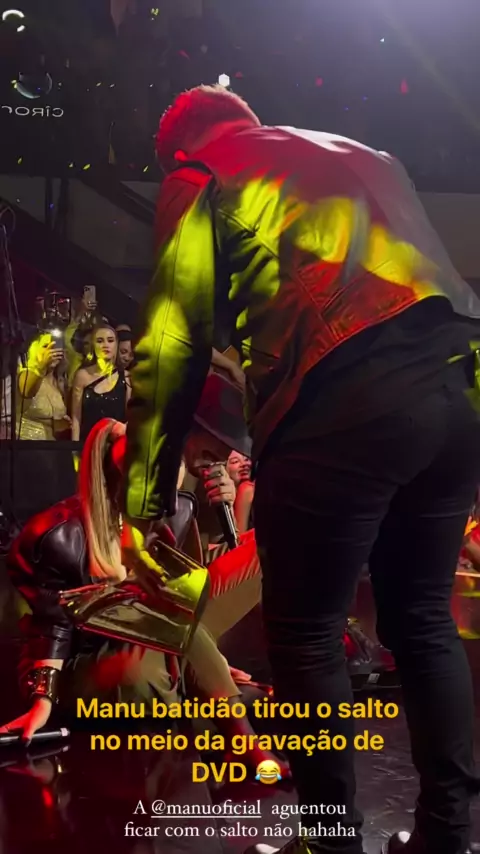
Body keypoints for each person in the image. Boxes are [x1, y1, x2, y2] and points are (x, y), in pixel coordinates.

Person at [121, 84, 480, 854]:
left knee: (306, 632)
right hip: (461, 388)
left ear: (177, 149)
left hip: (345, 396)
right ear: (250, 123)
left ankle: (329, 843)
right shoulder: (365, 156)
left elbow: (174, 340)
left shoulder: (202, 173)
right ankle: (449, 838)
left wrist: (145, 498)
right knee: (423, 619)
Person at [0, 411, 277, 772]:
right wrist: (43, 701)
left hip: (156, 637)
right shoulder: (59, 536)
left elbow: (181, 598)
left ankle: (203, 688)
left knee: (269, 545)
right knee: (145, 673)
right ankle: (239, 736)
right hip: (87, 659)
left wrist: (209, 660)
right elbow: (53, 628)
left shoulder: (174, 513)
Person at [71, 324, 131, 442]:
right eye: (99, 341)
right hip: (87, 443)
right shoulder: (82, 376)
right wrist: (74, 449)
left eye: (110, 340)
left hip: (115, 445)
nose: (105, 345)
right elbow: (76, 419)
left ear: (116, 344)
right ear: (93, 346)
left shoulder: (126, 377)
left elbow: (130, 419)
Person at [16, 332, 71, 440]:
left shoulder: (60, 382)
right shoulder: (25, 374)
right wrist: (41, 367)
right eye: (46, 347)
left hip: (51, 445)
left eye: (55, 347)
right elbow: (27, 391)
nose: (51, 352)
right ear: (34, 349)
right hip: (27, 444)